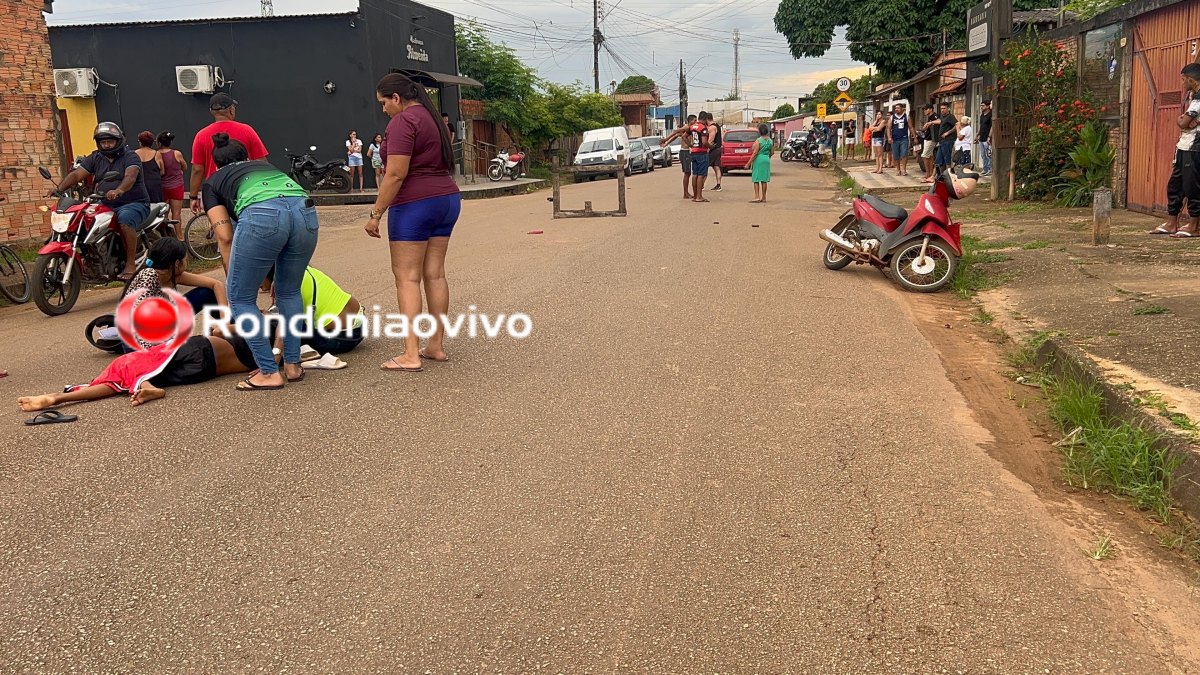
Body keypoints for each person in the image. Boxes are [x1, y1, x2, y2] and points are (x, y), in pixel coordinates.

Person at [202, 133, 318, 390]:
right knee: (289, 291)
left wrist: (234, 278)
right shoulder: (266, 167)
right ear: (247, 157)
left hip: (261, 214)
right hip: (305, 211)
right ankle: (292, 365)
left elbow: (224, 237)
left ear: (217, 164)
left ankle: (268, 371)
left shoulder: (213, 181)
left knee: (241, 298)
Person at [365, 72, 462, 372]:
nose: (383, 109)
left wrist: (376, 213)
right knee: (435, 274)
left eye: (383, 103)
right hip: (447, 199)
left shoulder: (403, 121)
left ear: (396, 98)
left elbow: (395, 173)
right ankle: (436, 344)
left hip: (415, 203)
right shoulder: (434, 119)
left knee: (407, 277)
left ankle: (410, 354)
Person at [18, 334, 258, 414]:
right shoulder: (121, 371)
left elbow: (106, 389)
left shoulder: (118, 374)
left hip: (193, 363)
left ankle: (150, 384)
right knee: (259, 355)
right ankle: (150, 385)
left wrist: (59, 397)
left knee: (119, 384)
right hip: (200, 354)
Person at [45, 122, 149, 282]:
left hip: (133, 203)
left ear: (118, 140)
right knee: (82, 219)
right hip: (104, 203)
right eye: (103, 142)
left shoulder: (130, 156)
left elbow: (130, 176)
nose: (106, 145)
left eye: (110, 141)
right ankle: (92, 260)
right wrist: (60, 188)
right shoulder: (96, 157)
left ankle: (130, 264)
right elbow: (76, 175)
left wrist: (119, 190)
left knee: (125, 219)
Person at [118, 237, 228, 352]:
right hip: (139, 342)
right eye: (185, 259)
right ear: (177, 263)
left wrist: (224, 324)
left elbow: (216, 284)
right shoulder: (149, 276)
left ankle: (233, 331)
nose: (187, 262)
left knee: (206, 293)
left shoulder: (171, 273)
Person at [189, 93, 268, 216]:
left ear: (211, 111)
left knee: (221, 229)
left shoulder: (201, 135)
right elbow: (261, 162)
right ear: (231, 109)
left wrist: (193, 196)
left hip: (216, 190)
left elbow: (197, 169)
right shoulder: (247, 130)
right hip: (245, 188)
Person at [264, 265, 364, 356]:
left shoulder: (287, 286)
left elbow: (286, 327)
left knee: (277, 335)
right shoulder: (299, 268)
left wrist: (270, 366)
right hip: (358, 327)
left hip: (341, 338)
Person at [1153, 63, 1200, 237]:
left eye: (1183, 80)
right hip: (1183, 145)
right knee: (1175, 185)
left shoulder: (1199, 98)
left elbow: (1182, 122)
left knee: (1192, 186)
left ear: (1191, 79)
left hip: (1195, 147)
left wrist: (1185, 120)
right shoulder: (1193, 96)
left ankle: (1194, 226)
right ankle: (1172, 222)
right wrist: (1186, 120)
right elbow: (1185, 122)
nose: (1182, 83)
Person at [157, 131, 187, 238]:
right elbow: (184, 166)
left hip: (162, 187)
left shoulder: (157, 154)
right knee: (177, 214)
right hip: (176, 186)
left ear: (159, 143)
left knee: (163, 214)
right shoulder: (177, 153)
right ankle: (179, 237)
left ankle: (164, 236)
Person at [661, 115, 696, 199]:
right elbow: (675, 131)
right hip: (685, 152)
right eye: (694, 120)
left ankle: (686, 192)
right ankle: (685, 193)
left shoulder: (690, 129)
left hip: (686, 152)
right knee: (687, 172)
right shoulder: (687, 127)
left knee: (688, 173)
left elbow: (676, 135)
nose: (696, 122)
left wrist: (667, 143)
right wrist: (666, 139)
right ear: (690, 121)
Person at [928, 102, 958, 183]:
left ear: (948, 108)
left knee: (947, 160)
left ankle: (949, 177)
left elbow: (957, 125)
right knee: (938, 160)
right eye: (941, 109)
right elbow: (939, 121)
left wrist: (948, 133)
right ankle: (932, 177)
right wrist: (930, 122)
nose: (942, 110)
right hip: (942, 142)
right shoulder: (942, 117)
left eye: (944, 108)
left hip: (948, 141)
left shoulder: (950, 116)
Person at [688, 112, 713, 202]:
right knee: (701, 175)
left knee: (695, 174)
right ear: (705, 119)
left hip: (694, 152)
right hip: (701, 153)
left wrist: (691, 145)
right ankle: (699, 196)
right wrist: (710, 146)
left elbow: (684, 136)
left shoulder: (692, 127)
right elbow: (704, 141)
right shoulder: (703, 128)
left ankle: (695, 196)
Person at [133, 131, 164, 203]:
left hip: (139, 186)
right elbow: (162, 171)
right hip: (154, 186)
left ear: (140, 142)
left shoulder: (134, 154)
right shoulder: (157, 154)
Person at [749, 124, 773, 203]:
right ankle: (764, 197)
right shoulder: (770, 141)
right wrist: (767, 157)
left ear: (759, 131)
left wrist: (748, 163)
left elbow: (755, 153)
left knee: (756, 179)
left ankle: (757, 196)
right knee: (764, 179)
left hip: (759, 159)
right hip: (766, 159)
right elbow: (772, 152)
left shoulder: (758, 141)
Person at [886, 103, 912, 176]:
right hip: (895, 139)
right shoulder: (892, 117)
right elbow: (888, 128)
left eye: (898, 108)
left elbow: (911, 127)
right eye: (895, 108)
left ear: (902, 109)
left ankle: (904, 169)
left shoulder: (906, 117)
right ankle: (898, 169)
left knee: (904, 154)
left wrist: (914, 137)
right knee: (896, 155)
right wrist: (889, 137)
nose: (896, 109)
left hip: (904, 138)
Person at [920, 105, 939, 180]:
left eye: (926, 109)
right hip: (927, 137)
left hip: (931, 139)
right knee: (930, 156)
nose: (925, 111)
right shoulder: (929, 117)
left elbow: (939, 121)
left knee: (924, 155)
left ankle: (928, 173)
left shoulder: (934, 116)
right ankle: (930, 173)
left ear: (931, 109)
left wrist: (930, 123)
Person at [978, 100, 994, 177]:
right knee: (983, 155)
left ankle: (990, 169)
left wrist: (989, 137)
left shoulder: (990, 115)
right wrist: (977, 135)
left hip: (987, 138)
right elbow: (981, 126)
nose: (981, 107)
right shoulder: (982, 115)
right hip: (981, 137)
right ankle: (985, 169)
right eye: (981, 105)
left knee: (988, 155)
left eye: (983, 105)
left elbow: (992, 127)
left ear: (988, 106)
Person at [707, 116, 723, 191]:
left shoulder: (712, 127)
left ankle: (701, 184)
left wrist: (707, 149)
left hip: (713, 150)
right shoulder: (717, 126)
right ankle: (718, 184)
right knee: (716, 167)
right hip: (718, 148)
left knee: (704, 166)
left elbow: (711, 140)